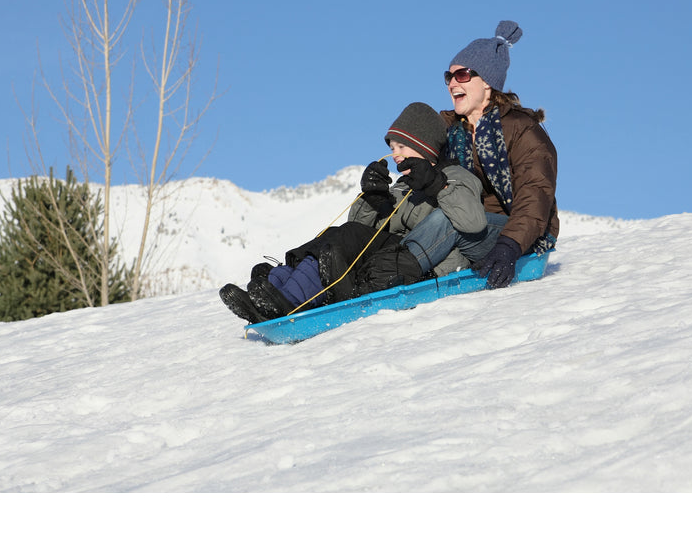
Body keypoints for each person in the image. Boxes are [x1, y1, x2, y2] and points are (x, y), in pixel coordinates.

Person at [219, 102, 489, 323]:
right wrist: (372, 198)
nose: (394, 155)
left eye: (401, 147)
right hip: (389, 257)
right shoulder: (403, 186)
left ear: (424, 146)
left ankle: (290, 299)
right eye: (392, 148)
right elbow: (362, 231)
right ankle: (276, 287)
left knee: (346, 236)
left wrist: (435, 184)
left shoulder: (455, 176)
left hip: (424, 258)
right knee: (336, 235)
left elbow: (472, 221)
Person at [400, 20, 559, 289]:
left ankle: (389, 275)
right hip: (469, 229)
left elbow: (535, 194)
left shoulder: (522, 130)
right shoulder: (450, 131)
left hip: (517, 236)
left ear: (487, 82)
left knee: (448, 221)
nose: (452, 83)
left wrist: (509, 245)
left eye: (462, 75)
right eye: (448, 77)